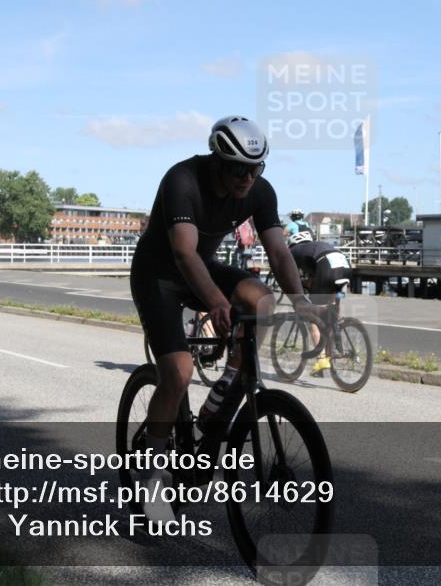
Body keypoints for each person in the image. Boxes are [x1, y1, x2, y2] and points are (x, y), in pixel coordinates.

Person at [130, 115, 316, 520]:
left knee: (262, 299)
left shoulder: (260, 191)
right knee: (177, 373)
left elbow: (279, 253)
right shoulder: (182, 180)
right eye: (238, 168)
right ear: (217, 159)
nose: (247, 178)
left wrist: (301, 303)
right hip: (159, 276)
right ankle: (155, 468)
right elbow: (183, 253)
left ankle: (225, 389)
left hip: (203, 266)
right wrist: (215, 301)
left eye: (255, 168)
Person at [286, 230, 352, 377]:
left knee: (312, 315)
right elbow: (313, 276)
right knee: (332, 311)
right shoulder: (316, 247)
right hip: (346, 268)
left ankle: (322, 359)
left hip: (327, 269)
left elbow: (292, 278)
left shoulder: (294, 251)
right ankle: (335, 336)